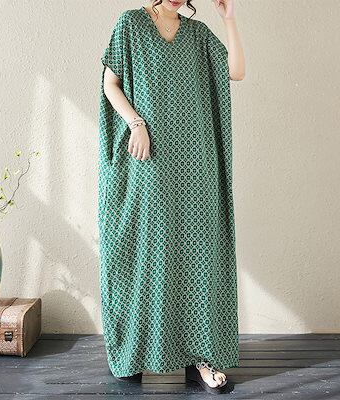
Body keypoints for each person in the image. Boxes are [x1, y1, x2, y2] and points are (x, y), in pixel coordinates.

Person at [98, 0, 245, 394]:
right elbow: (111, 84)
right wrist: (136, 123)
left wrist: (229, 19)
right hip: (150, 160)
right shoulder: (130, 24)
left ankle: (201, 356)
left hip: (195, 162)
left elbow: (236, 71)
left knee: (197, 256)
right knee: (150, 254)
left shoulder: (198, 35)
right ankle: (136, 352)